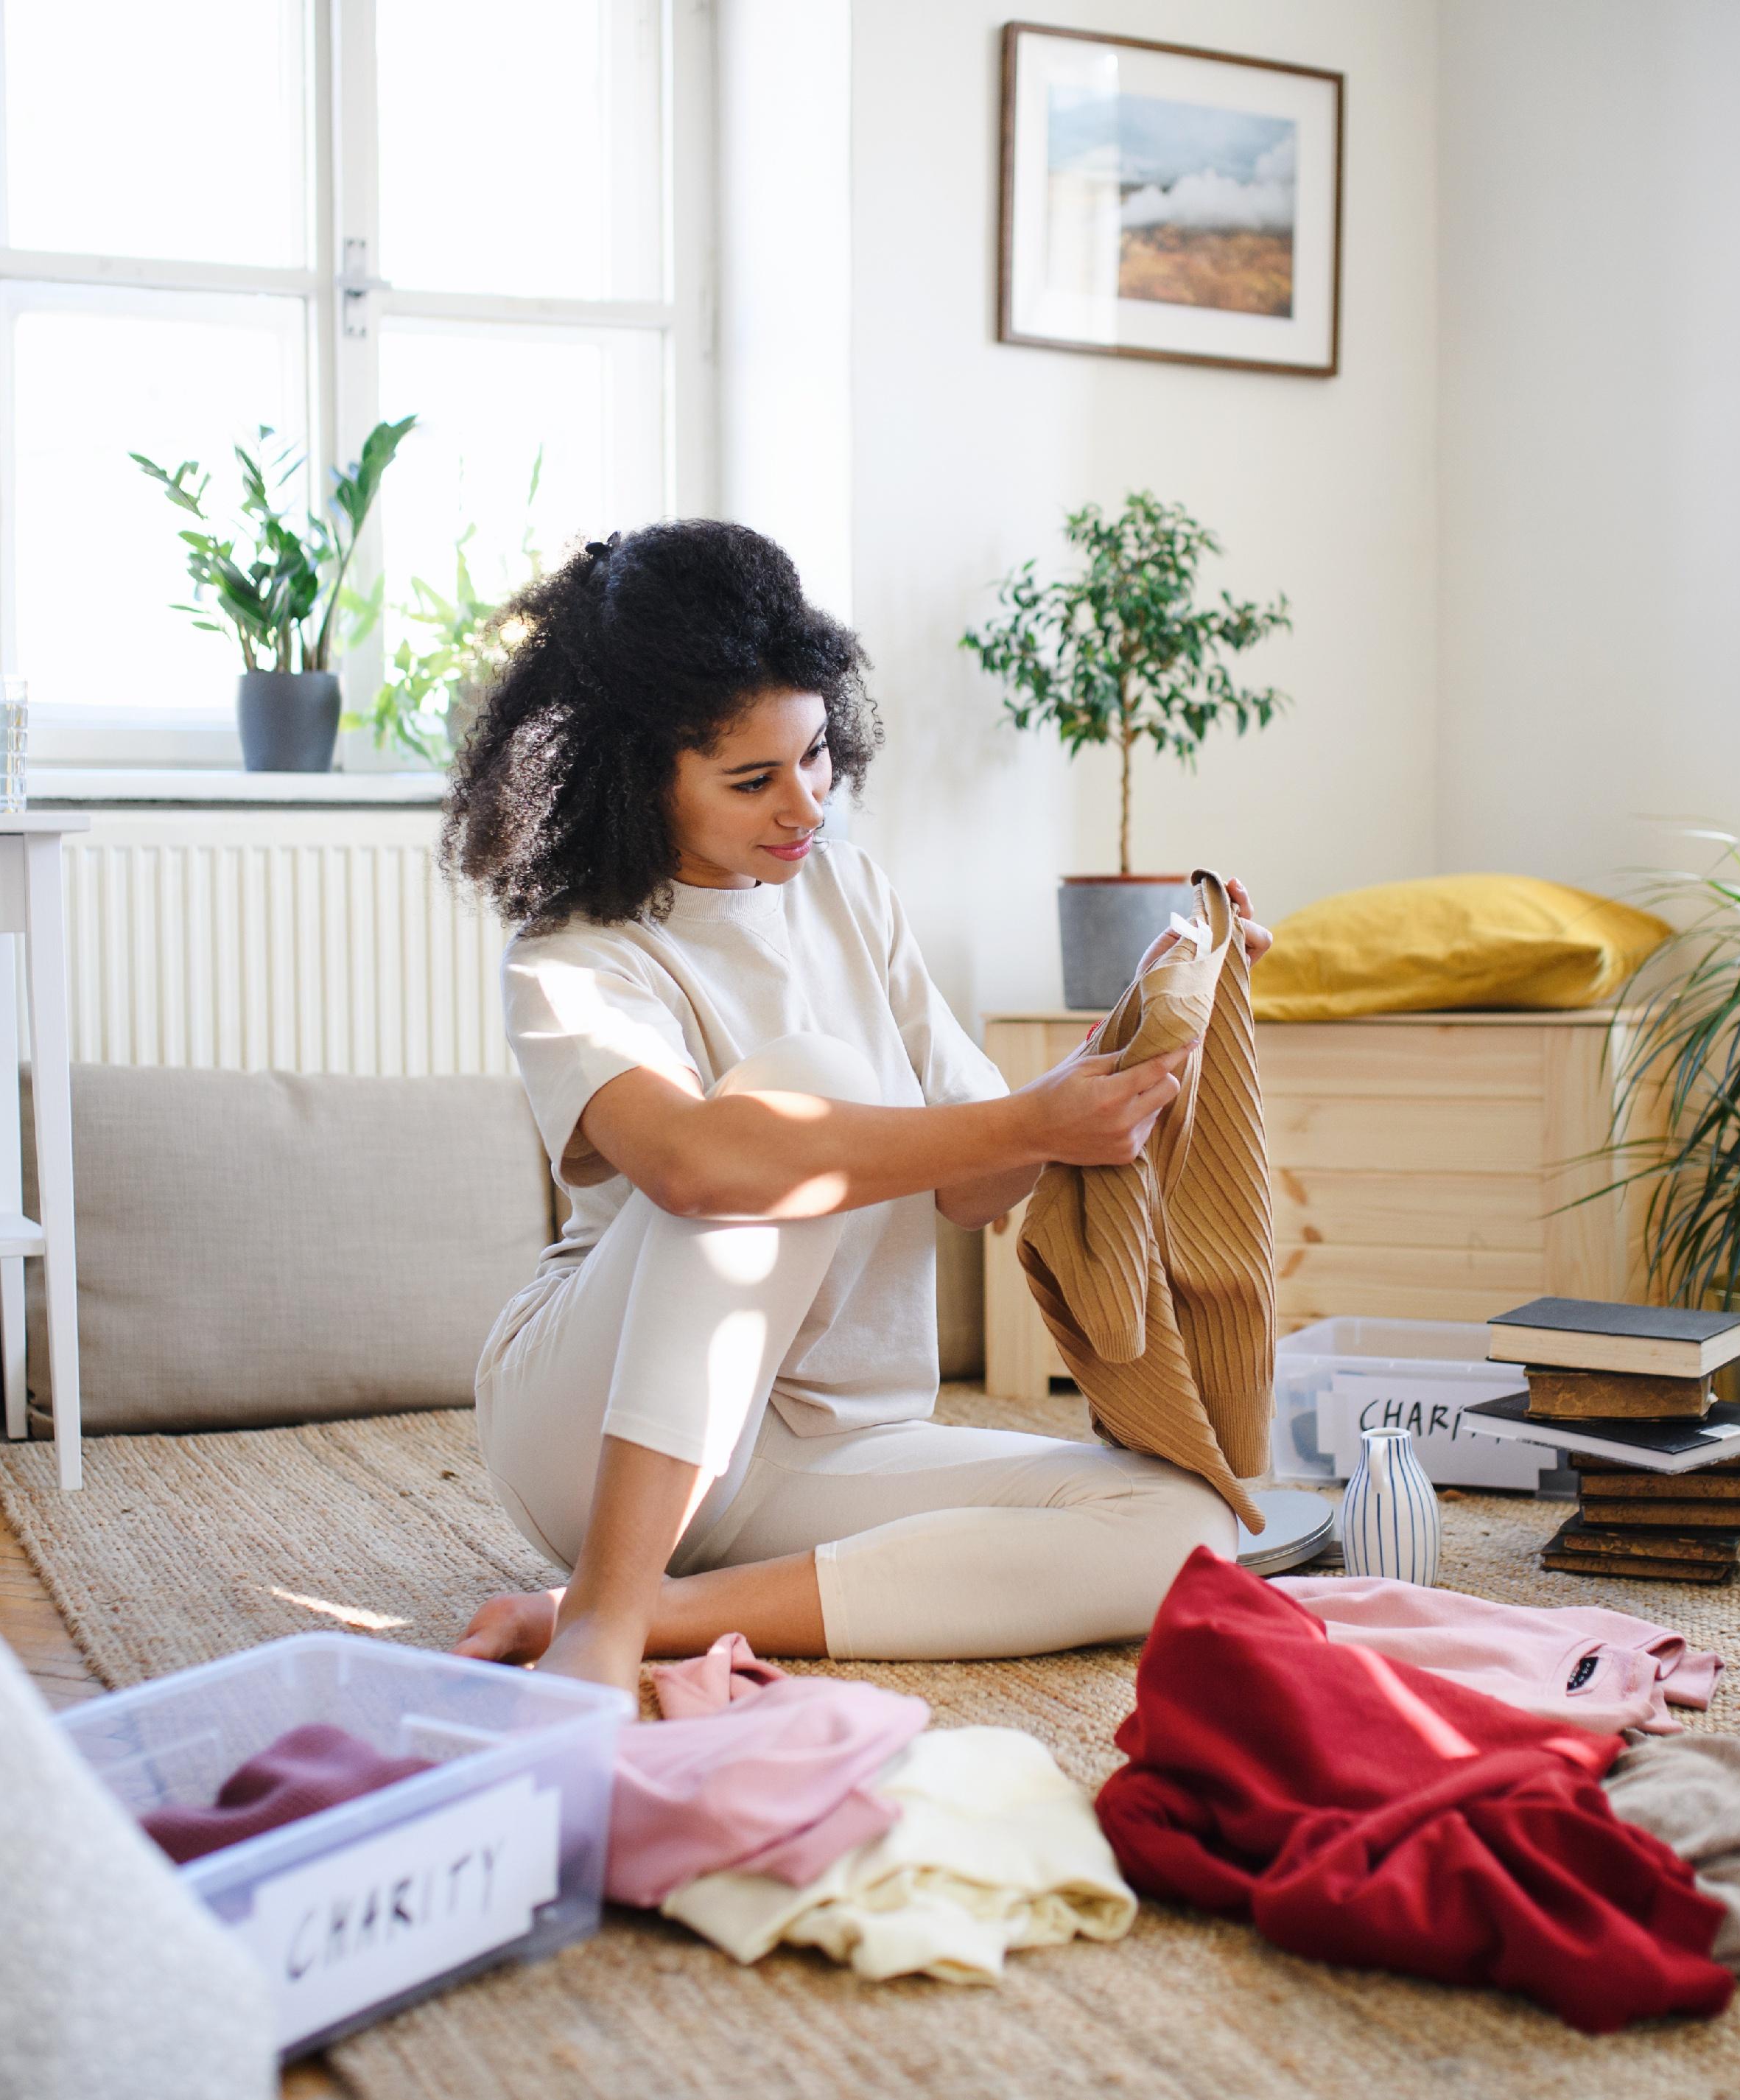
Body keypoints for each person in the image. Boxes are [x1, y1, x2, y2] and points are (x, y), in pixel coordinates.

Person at [442, 520, 1271, 1689]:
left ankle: (656, 1611)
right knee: (800, 1093)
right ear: (636, 777)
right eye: (753, 778)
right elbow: (695, 1166)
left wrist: (1137, 1039)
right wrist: (1028, 1120)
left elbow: (978, 1180)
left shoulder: (848, 891)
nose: (806, 805)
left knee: (1188, 1529)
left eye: (817, 754)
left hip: (832, 1441)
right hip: (593, 1434)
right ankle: (605, 1612)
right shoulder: (571, 955)